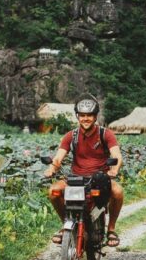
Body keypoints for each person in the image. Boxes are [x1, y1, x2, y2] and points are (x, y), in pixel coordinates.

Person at [44, 93, 123, 247]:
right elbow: (58, 158)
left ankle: (111, 229)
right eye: (82, 115)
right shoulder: (70, 136)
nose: (85, 119)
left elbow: (116, 155)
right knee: (53, 192)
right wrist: (51, 169)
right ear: (77, 116)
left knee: (118, 192)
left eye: (89, 115)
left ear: (95, 117)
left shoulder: (105, 134)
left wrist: (114, 169)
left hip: (100, 179)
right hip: (76, 178)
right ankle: (66, 223)